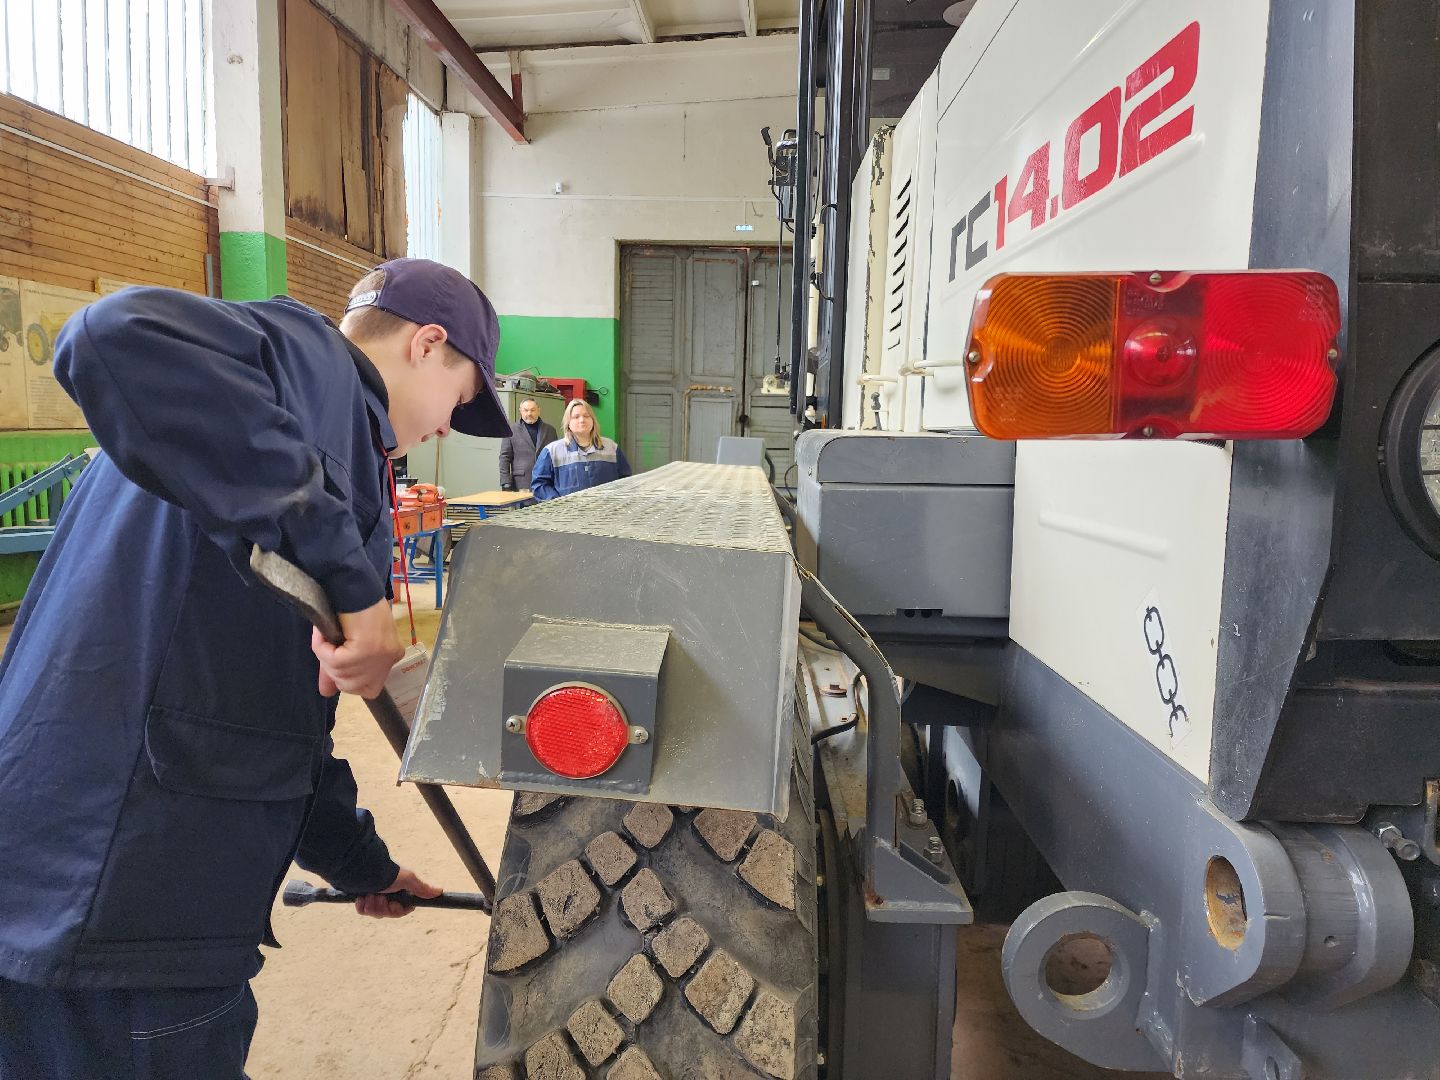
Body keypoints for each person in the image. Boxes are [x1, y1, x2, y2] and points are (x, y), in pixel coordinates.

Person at [0, 258, 512, 1079]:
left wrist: (361, 864)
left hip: (76, 886)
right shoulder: (305, 363)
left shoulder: (287, 430)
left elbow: (260, 708)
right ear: (426, 344)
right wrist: (355, 581)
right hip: (131, 911)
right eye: (458, 399)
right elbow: (109, 334)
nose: (448, 428)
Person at [530, 398, 632, 500]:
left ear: (593, 420)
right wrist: (558, 503)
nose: (582, 420)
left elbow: (626, 481)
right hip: (569, 515)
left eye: (586, 416)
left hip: (606, 513)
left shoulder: (611, 448)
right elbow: (539, 485)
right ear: (568, 422)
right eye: (576, 417)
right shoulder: (552, 451)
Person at [497, 396, 557, 492]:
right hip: (521, 483)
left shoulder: (550, 430)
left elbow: (556, 457)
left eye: (533, 410)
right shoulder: (510, 430)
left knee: (546, 507)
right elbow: (504, 457)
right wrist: (505, 482)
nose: (529, 413)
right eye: (526, 410)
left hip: (546, 482)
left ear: (538, 410)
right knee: (524, 507)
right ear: (520, 411)